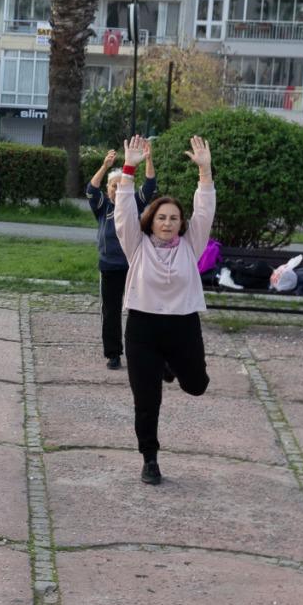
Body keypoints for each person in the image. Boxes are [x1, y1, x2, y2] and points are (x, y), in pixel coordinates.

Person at [114, 133, 218, 486]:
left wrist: (205, 172)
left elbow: (205, 210)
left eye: (174, 218)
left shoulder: (191, 245)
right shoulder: (137, 245)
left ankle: (171, 366)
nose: (168, 223)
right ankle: (150, 458)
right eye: (162, 217)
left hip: (183, 327)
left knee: (198, 386)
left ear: (181, 223)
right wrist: (128, 169)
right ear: (151, 220)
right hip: (142, 329)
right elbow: (124, 209)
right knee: (146, 400)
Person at [85, 144, 157, 371]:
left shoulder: (135, 204)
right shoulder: (103, 206)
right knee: (111, 311)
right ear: (108, 190)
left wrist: (147, 159)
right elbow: (90, 189)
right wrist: (105, 166)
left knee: (139, 309)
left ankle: (143, 351)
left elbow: (150, 185)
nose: (116, 189)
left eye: (120, 185)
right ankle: (113, 354)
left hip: (134, 265)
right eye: (113, 186)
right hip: (109, 267)